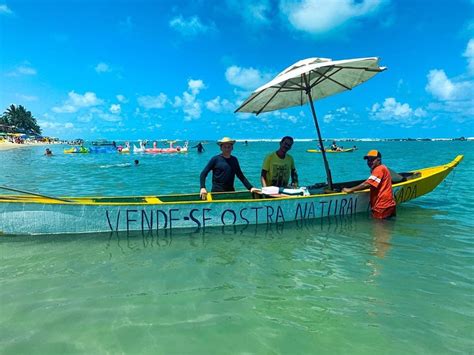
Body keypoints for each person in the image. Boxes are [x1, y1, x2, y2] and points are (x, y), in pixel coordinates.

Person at [342, 150, 396, 219]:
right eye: (368, 160)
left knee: (380, 228)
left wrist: (350, 189)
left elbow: (368, 184)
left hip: (382, 206)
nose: (369, 162)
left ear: (378, 160)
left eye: (372, 160)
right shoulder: (383, 168)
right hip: (389, 204)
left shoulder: (378, 169)